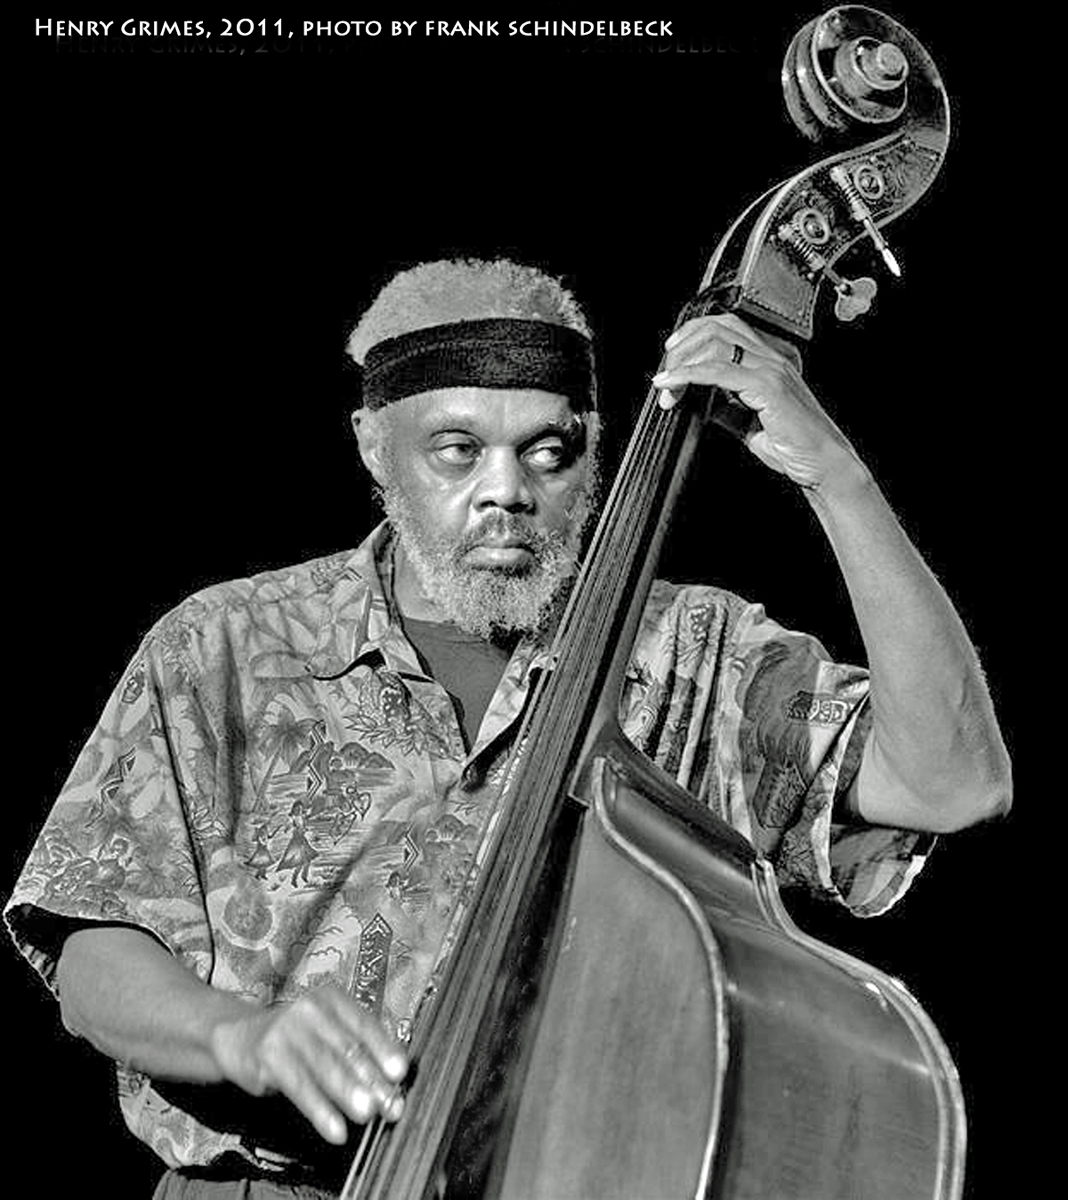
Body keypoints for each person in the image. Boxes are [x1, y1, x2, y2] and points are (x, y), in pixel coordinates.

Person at [5, 258, 1011, 1198]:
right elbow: (94, 952)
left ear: (594, 447)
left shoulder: (695, 653)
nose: (506, 492)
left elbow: (952, 783)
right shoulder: (226, 645)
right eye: (457, 450)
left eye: (548, 452)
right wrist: (241, 1038)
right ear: (374, 446)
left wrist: (835, 477)